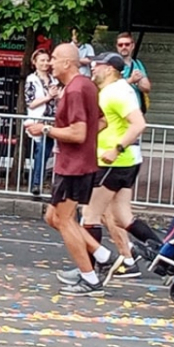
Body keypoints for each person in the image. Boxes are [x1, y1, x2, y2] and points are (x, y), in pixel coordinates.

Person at [26, 44, 120, 297]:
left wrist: (45, 129)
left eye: (54, 59)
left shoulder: (76, 90)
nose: (50, 63)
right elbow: (101, 121)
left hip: (73, 166)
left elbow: (78, 133)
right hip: (77, 163)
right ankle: (103, 256)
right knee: (52, 217)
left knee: (64, 220)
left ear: (67, 63)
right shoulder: (86, 85)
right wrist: (87, 141)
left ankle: (90, 279)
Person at [56, 53, 146, 286]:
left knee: (89, 216)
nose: (93, 68)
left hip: (112, 162)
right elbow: (104, 122)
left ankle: (90, 272)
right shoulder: (115, 89)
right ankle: (164, 256)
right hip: (120, 160)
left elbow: (139, 123)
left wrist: (116, 149)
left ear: (110, 69)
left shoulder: (114, 92)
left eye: (98, 65)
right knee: (122, 217)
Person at [24, 48, 59, 196]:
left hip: (53, 121)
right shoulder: (31, 80)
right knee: (42, 151)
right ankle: (36, 183)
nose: (45, 63)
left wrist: (58, 96)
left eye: (47, 60)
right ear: (35, 62)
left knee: (46, 152)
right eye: (42, 60)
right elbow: (30, 103)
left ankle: (39, 183)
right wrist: (49, 97)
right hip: (39, 121)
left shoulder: (54, 79)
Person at [115, 32, 151, 113]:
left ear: (133, 46)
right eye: (120, 45)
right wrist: (131, 80)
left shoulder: (137, 63)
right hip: (119, 110)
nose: (124, 47)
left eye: (127, 44)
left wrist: (138, 81)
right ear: (117, 47)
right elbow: (110, 88)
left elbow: (147, 88)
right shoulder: (112, 64)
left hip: (136, 110)